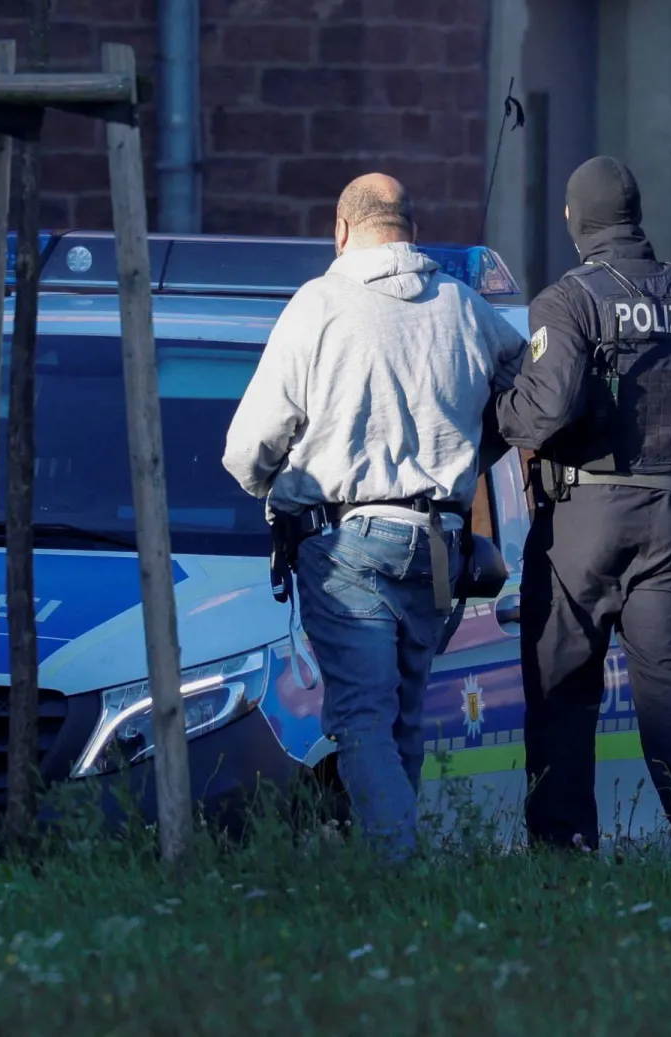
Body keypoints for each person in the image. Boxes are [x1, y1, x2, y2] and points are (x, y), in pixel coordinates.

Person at [222, 174, 527, 860]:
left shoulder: (319, 304)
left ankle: (396, 872)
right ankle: (395, 866)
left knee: (361, 720)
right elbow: (527, 388)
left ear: (341, 230)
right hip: (441, 547)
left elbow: (247, 450)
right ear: (410, 230)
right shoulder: (463, 304)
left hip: (347, 543)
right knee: (403, 721)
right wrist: (477, 446)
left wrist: (268, 479)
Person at [492, 156, 671, 862]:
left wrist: (501, 408)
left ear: (576, 219)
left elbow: (544, 412)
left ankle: (564, 847)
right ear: (635, 215)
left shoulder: (568, 300)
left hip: (583, 518)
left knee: (563, 686)